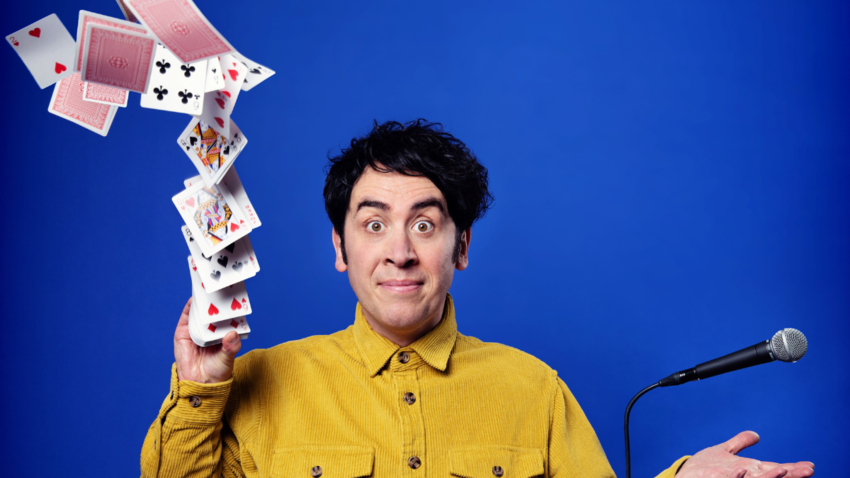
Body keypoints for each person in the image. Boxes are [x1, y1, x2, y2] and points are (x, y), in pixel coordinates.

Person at [141, 119, 815, 478]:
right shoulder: (258, 382)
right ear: (340, 248)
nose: (399, 251)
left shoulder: (534, 389)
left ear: (460, 247)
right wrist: (200, 389)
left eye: (425, 224)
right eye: (373, 225)